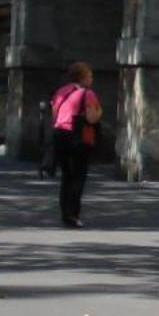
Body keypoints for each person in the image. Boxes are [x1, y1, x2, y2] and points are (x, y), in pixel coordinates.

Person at [50, 63, 103, 229]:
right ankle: (73, 214)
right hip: (77, 137)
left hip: (60, 134)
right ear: (82, 77)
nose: (92, 78)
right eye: (89, 75)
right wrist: (99, 112)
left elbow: (54, 113)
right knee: (78, 175)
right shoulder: (88, 94)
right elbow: (92, 118)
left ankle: (65, 212)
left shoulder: (61, 91)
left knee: (66, 175)